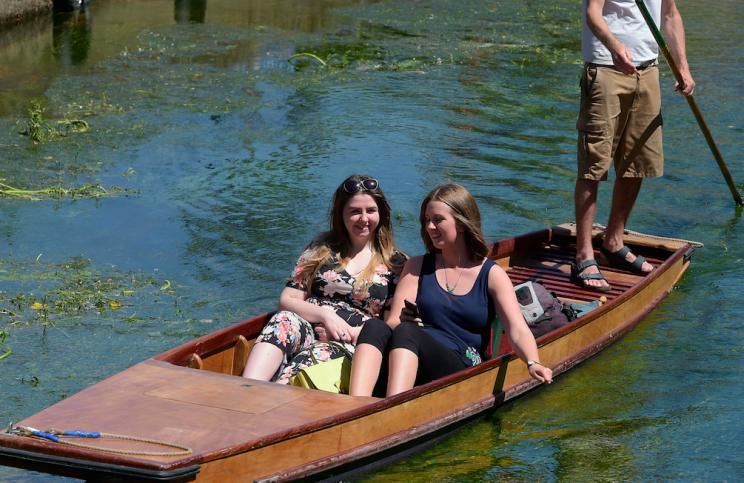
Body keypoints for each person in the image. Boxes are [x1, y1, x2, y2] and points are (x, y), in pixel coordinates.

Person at [349, 184, 552, 398]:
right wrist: (403, 320)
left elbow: (517, 330)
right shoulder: (417, 266)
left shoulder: (491, 274)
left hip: (463, 362)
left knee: (407, 333)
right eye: (427, 220)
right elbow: (393, 325)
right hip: (414, 351)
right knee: (375, 326)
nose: (430, 226)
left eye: (438, 219)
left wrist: (533, 362)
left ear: (462, 223)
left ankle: (393, 411)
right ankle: (355, 405)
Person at [573, 0, 695, 291]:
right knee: (593, 164)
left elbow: (669, 14)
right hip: (605, 68)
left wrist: (683, 68)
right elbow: (593, 13)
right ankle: (583, 254)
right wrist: (614, 46)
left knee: (638, 160)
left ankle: (613, 242)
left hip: (648, 70)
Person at [242, 175, 406, 384]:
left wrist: (345, 332)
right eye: (355, 211)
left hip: (351, 341)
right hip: (307, 323)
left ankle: (277, 395)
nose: (364, 218)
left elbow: (391, 325)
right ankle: (247, 388)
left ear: (381, 214)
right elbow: (287, 301)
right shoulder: (321, 248)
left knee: (316, 356)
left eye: (370, 211)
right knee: (283, 320)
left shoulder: (396, 264)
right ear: (341, 214)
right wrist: (326, 316)